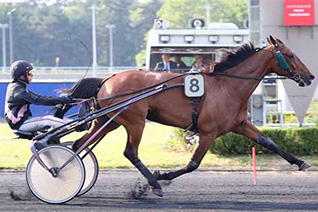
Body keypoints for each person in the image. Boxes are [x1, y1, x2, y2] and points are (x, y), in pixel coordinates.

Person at [4, 60, 73, 150]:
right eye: (29, 73)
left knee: (52, 120)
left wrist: (61, 100)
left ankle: (52, 141)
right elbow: (39, 100)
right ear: (21, 76)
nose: (31, 75)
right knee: (48, 119)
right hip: (21, 125)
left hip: (22, 122)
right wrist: (63, 100)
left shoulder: (18, 87)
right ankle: (76, 125)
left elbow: (40, 97)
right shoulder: (18, 90)